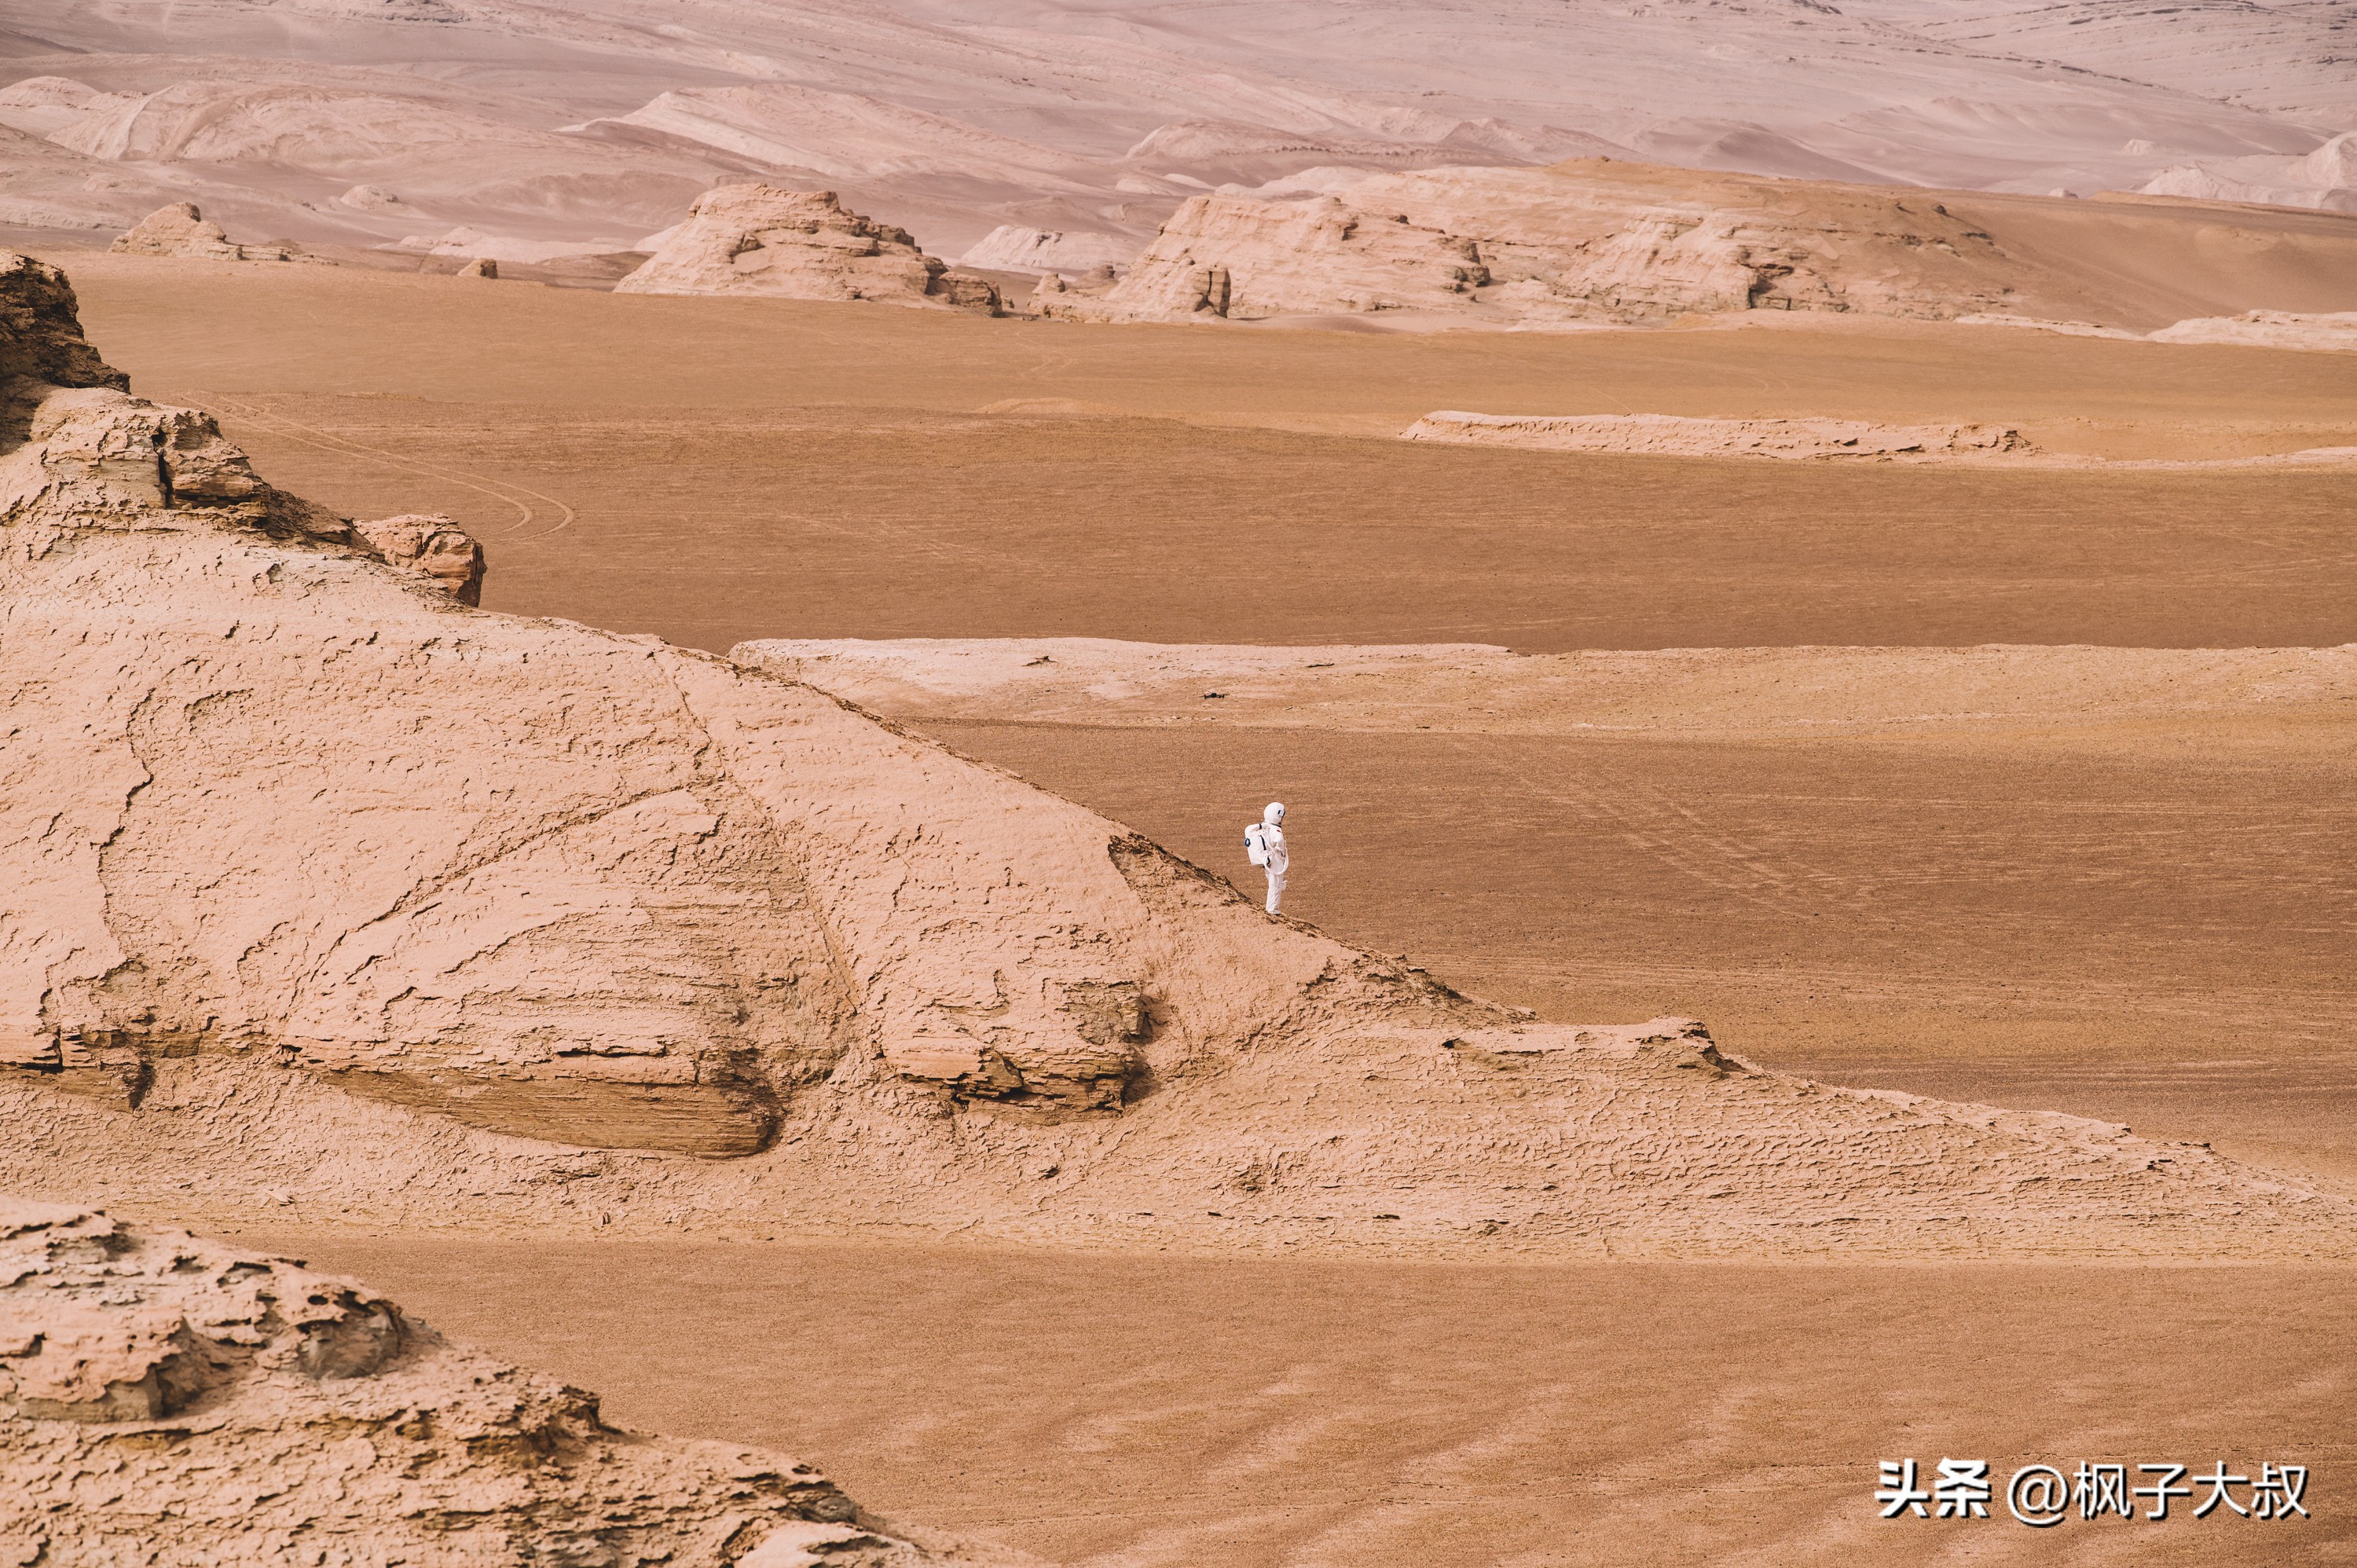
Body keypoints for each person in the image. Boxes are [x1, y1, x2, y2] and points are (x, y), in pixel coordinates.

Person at [1244, 800, 1289, 914]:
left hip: (1268, 859)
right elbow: (1278, 839)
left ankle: (1272, 907)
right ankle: (1273, 909)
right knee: (1275, 884)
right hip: (1276, 859)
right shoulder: (1276, 829)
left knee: (1274, 883)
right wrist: (1279, 848)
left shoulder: (1265, 827)